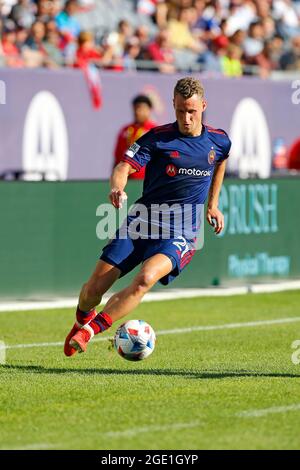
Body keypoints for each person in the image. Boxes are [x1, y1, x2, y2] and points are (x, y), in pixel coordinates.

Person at [64, 76, 231, 356]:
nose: (186, 118)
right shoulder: (157, 139)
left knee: (145, 279)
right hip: (141, 223)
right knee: (93, 290)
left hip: (181, 233)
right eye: (180, 111)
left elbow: (221, 160)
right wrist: (117, 188)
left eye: (192, 111)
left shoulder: (219, 140)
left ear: (203, 106)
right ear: (173, 106)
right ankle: (82, 317)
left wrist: (212, 204)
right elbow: (123, 166)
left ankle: (89, 331)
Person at [113, 94, 156, 180]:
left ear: (149, 110)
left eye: (141, 108)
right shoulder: (125, 130)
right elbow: (118, 156)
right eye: (135, 108)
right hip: (125, 179)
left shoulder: (155, 131)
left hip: (147, 181)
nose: (137, 111)